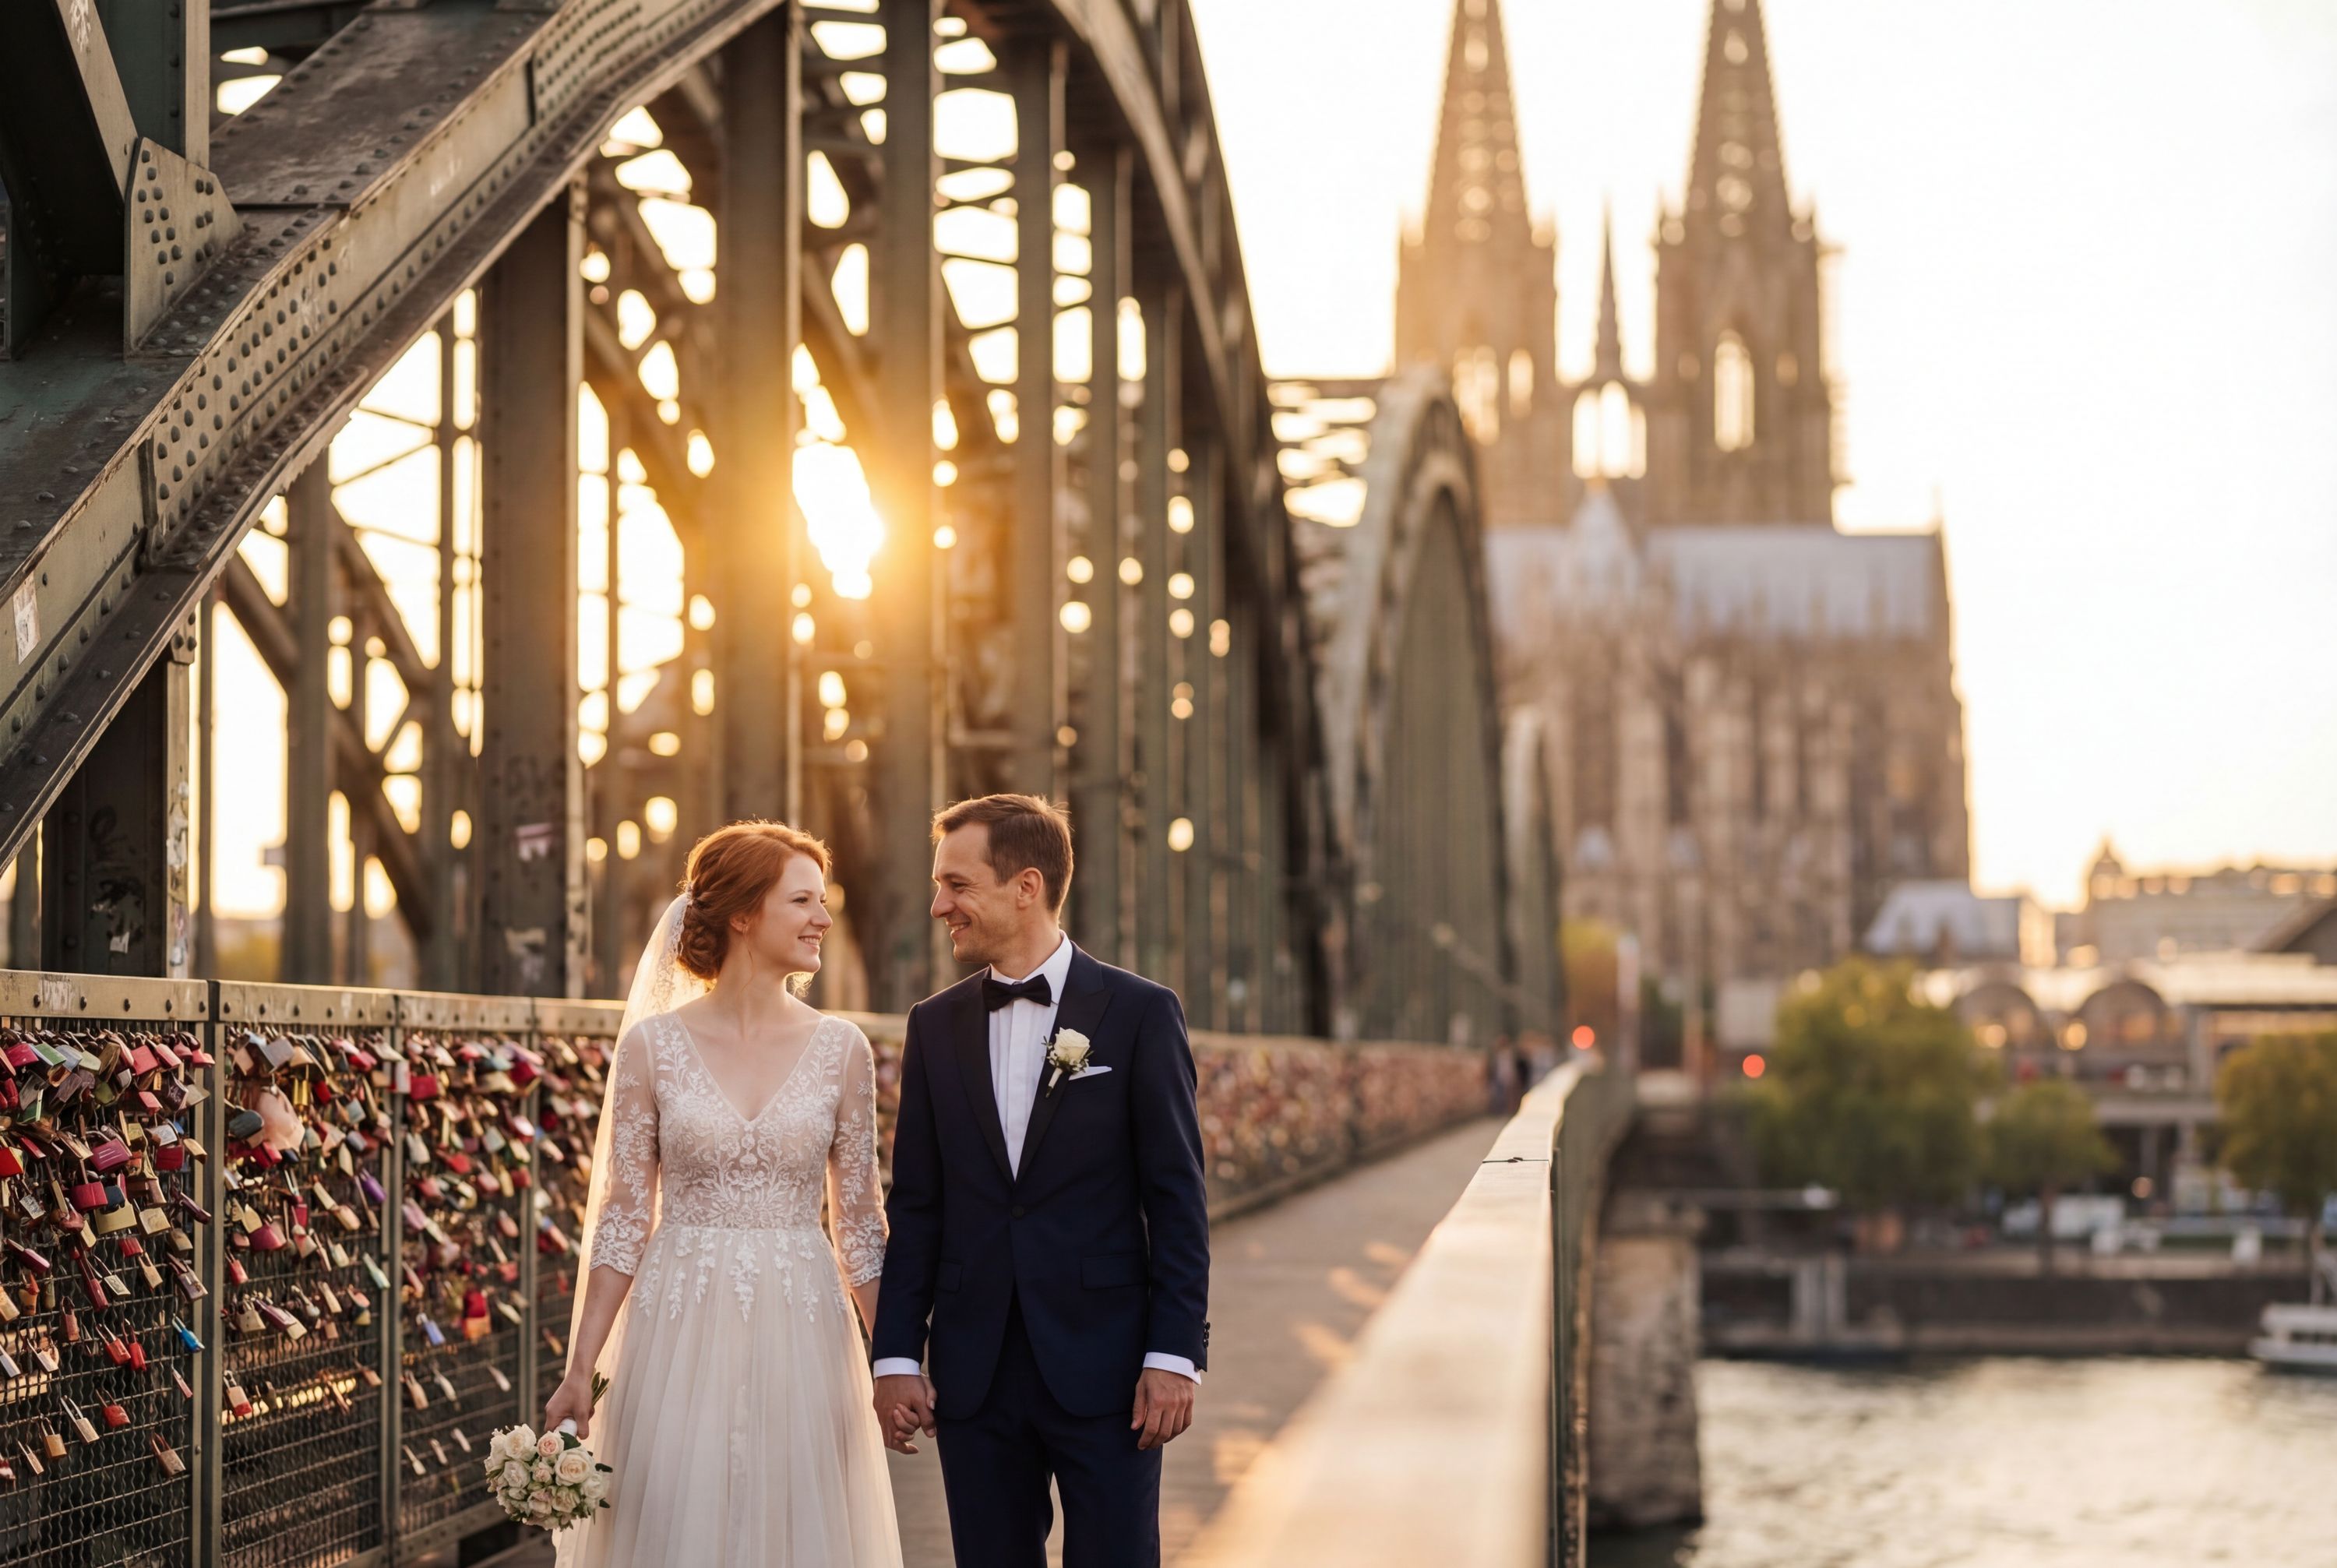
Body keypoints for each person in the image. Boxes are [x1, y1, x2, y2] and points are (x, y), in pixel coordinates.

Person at [544, 821, 901, 1568]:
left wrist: (896, 1363)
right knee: (676, 1519)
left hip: (803, 1325)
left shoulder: (844, 1050)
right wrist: (580, 1370)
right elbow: (622, 1218)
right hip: (676, 1324)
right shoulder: (652, 1047)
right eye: (802, 899)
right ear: (743, 913)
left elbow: (862, 1225)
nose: (824, 919)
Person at [872, 795, 1211, 1568]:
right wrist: (895, 1357)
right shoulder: (933, 1025)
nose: (938, 906)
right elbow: (917, 1205)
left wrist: (1174, 1354)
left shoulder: (1140, 1013)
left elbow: (1178, 1202)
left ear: (1026, 886)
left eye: (957, 885)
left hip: (1113, 1370)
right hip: (974, 1375)